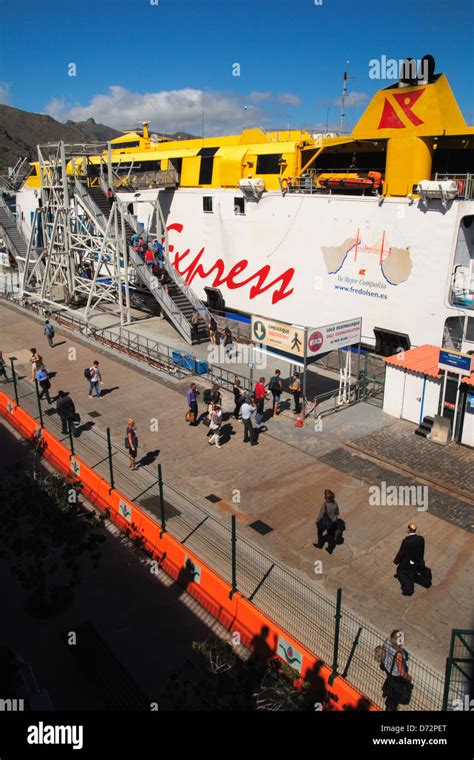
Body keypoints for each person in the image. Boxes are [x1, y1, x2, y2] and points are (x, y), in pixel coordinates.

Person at [380, 631, 412, 711]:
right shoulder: (398, 654)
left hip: (388, 672)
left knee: (390, 697)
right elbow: (401, 671)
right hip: (397, 678)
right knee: (394, 698)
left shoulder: (387, 644)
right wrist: (408, 677)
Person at [393, 523, 425, 597]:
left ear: (408, 529)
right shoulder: (421, 538)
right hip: (416, 560)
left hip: (408, 560)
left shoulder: (406, 541)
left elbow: (401, 552)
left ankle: (408, 589)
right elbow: (422, 550)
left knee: (401, 572)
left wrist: (396, 562)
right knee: (411, 571)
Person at [315, 490, 340, 554]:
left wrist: (317, 521)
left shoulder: (325, 504)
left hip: (325, 523)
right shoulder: (335, 503)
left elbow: (321, 514)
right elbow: (337, 513)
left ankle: (320, 545)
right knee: (331, 536)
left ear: (326, 498)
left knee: (319, 532)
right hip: (333, 522)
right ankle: (330, 549)